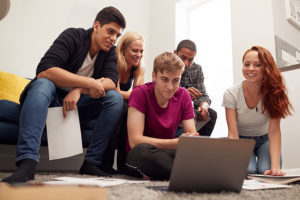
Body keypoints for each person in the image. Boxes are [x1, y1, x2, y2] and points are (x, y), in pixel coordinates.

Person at [1, 6, 126, 183]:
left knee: (115, 98)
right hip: (51, 100)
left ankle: (91, 162)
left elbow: (111, 82)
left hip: (78, 106)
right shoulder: (73, 36)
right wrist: (89, 83)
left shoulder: (109, 52)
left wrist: (78, 89)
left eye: (117, 35)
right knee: (43, 84)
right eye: (110, 31)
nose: (113, 38)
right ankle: (27, 163)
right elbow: (45, 70)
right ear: (97, 26)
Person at [125, 52, 199, 180]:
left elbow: (191, 140)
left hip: (165, 153)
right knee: (141, 150)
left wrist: (183, 142)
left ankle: (181, 173)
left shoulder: (183, 95)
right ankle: (189, 175)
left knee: (199, 151)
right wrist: (175, 143)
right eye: (164, 79)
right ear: (154, 76)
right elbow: (134, 141)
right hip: (142, 154)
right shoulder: (140, 93)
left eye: (176, 80)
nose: (170, 87)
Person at [222, 46, 292, 176]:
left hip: (265, 139)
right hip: (242, 139)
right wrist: (235, 161)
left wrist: (275, 167)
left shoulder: (274, 92)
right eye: (246, 64)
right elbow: (233, 133)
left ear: (266, 68)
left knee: (265, 171)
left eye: (257, 65)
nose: (251, 69)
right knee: (248, 172)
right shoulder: (231, 93)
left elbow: (275, 131)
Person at [100, 31, 145, 174]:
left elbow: (138, 96)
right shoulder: (115, 62)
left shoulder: (138, 67)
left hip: (121, 102)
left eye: (141, 51)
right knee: (122, 105)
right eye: (134, 50)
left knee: (132, 109)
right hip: (105, 101)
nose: (139, 54)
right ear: (123, 49)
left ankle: (127, 163)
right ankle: (106, 163)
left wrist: (132, 96)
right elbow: (116, 91)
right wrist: (131, 95)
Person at [174, 39, 217, 137]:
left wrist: (204, 107)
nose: (186, 63)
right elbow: (161, 93)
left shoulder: (196, 69)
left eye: (190, 60)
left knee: (211, 114)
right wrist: (183, 94)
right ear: (175, 53)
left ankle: (199, 147)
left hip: (187, 111)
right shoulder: (167, 66)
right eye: (183, 58)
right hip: (172, 111)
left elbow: (203, 96)